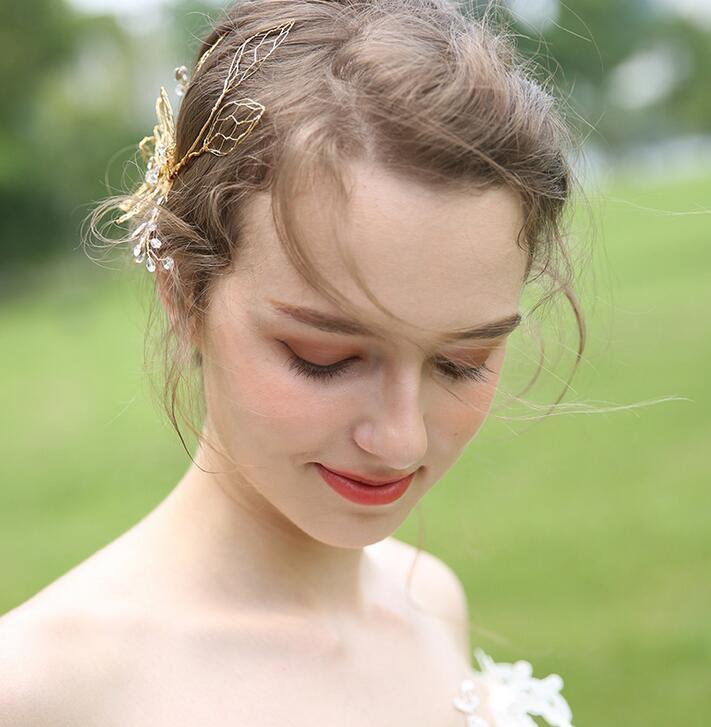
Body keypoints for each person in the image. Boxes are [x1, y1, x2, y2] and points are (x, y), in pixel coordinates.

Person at [0, 1, 581, 724]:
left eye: (461, 361)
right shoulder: (43, 689)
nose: (399, 439)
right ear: (184, 292)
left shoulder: (431, 600)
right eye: (323, 357)